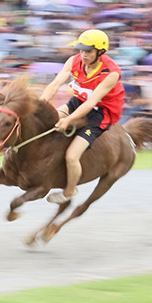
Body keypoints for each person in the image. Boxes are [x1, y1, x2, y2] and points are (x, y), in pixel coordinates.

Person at [40, 29, 125, 204]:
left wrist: (69, 120)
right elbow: (55, 84)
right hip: (79, 101)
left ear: (100, 52)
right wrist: (39, 105)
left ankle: (69, 191)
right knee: (46, 121)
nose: (83, 55)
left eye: (88, 51)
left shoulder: (111, 73)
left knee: (72, 156)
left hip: (101, 112)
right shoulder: (74, 61)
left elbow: (92, 103)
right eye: (81, 50)